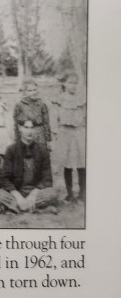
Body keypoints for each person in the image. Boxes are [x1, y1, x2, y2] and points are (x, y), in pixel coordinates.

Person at [0, 119, 60, 214]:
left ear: (36, 130)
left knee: (53, 193)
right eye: (26, 127)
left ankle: (16, 209)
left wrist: (34, 194)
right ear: (20, 128)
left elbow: (47, 178)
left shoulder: (42, 150)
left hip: (36, 192)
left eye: (32, 128)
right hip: (17, 191)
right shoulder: (11, 150)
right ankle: (38, 209)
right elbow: (4, 179)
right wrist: (18, 196)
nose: (29, 131)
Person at [52, 73, 86, 202]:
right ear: (64, 84)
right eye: (70, 82)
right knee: (67, 163)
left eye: (75, 83)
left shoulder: (81, 99)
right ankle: (70, 193)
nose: (73, 86)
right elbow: (54, 118)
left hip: (79, 131)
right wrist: (56, 133)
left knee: (82, 161)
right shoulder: (59, 99)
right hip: (65, 132)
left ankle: (83, 192)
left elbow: (85, 116)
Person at [13, 78, 52, 149]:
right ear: (24, 92)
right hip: (25, 135)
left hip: (39, 134)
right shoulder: (19, 105)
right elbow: (16, 124)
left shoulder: (41, 104)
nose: (33, 92)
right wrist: (16, 140)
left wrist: (48, 140)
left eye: (35, 90)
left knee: (40, 155)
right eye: (30, 90)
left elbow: (46, 123)